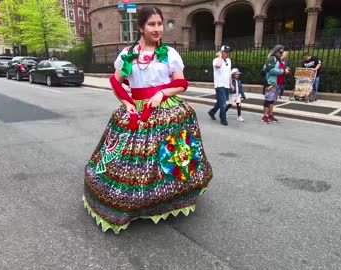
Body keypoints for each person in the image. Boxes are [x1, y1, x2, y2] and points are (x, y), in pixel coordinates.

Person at [83, 6, 213, 234]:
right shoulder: (127, 55)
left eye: (159, 24)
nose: (157, 29)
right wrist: (127, 103)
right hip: (137, 110)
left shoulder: (170, 53)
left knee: (171, 154)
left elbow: (181, 83)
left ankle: (172, 195)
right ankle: (134, 200)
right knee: (132, 162)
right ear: (141, 27)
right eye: (152, 24)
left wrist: (161, 94)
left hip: (166, 108)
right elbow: (116, 81)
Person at [262, 44, 290, 124]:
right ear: (276, 51)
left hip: (277, 82)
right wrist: (283, 71)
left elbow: (279, 68)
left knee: (272, 100)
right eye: (280, 52)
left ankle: (270, 115)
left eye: (282, 52)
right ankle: (265, 116)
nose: (281, 54)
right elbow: (270, 70)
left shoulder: (278, 60)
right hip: (271, 82)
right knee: (268, 99)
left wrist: (285, 70)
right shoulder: (272, 58)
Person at [208, 45, 232, 126]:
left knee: (220, 101)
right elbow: (218, 66)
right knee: (223, 102)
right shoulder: (216, 60)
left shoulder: (229, 60)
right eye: (225, 52)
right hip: (219, 85)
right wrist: (220, 56)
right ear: (221, 52)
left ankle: (212, 112)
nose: (227, 54)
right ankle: (223, 118)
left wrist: (231, 83)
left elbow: (229, 73)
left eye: (228, 52)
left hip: (226, 85)